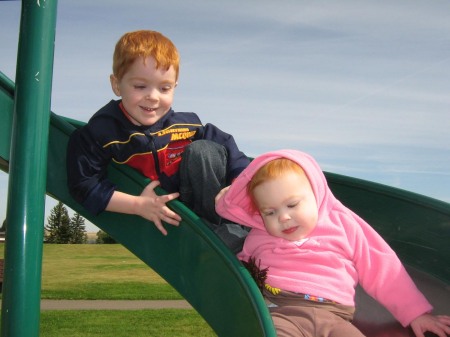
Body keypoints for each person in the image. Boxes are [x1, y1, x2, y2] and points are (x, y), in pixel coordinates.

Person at [215, 149, 450, 337]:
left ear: (317, 194)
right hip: (281, 311)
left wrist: (415, 313)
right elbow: (241, 272)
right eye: (270, 212)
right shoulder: (259, 236)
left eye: (292, 205)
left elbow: (382, 268)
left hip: (336, 317)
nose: (283, 217)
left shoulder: (342, 225)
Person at [66, 30, 250, 252]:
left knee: (204, 151)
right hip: (165, 213)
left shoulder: (187, 125)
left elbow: (231, 151)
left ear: (175, 87)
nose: (153, 96)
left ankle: (230, 229)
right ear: (116, 84)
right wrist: (137, 205)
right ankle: (224, 237)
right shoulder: (102, 132)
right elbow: (84, 185)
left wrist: (237, 185)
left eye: (164, 88)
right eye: (140, 86)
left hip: (206, 204)